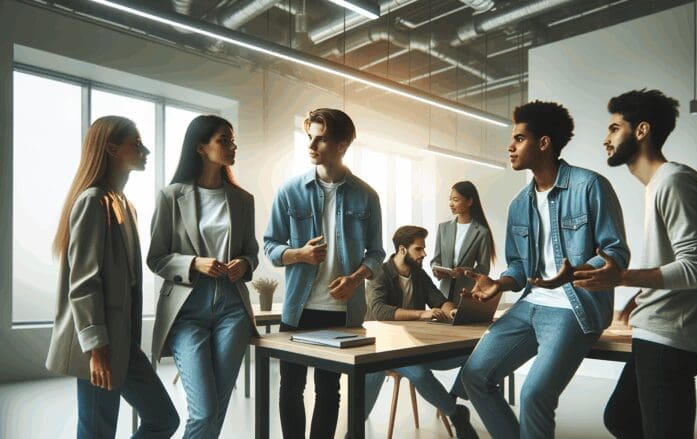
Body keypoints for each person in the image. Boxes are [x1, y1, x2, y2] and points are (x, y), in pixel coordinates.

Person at [460, 101, 630, 438]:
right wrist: (500, 283)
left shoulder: (589, 185)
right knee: (474, 376)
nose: (510, 147)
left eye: (519, 138)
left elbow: (615, 253)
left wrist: (576, 273)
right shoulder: (518, 204)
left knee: (534, 394)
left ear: (544, 143)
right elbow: (520, 266)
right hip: (530, 304)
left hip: (574, 306)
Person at [574, 89, 697, 439]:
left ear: (641, 130)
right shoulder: (660, 184)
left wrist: (622, 277)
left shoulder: (674, 182)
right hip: (660, 331)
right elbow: (681, 262)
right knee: (621, 417)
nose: (606, 139)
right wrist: (643, 292)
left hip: (671, 337)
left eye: (614, 128)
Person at [46, 116, 179, 438]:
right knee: (97, 431)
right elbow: (84, 283)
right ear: (112, 148)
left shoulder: (124, 205)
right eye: (137, 144)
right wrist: (97, 350)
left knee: (163, 419)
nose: (146, 151)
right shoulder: (93, 201)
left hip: (124, 344)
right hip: (101, 345)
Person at [263, 108, 385, 439]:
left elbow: (377, 253)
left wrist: (355, 279)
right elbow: (270, 245)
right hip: (298, 308)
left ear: (343, 145)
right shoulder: (289, 191)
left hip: (341, 312)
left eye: (321, 139)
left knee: (329, 390)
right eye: (309, 137)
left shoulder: (367, 196)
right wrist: (298, 254)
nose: (311, 145)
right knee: (290, 387)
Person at [148, 115, 260, 438]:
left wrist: (244, 264)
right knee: (205, 410)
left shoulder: (243, 200)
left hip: (232, 309)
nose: (232, 146)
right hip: (187, 311)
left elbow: (252, 252)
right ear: (200, 147)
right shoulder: (171, 196)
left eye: (233, 141)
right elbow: (156, 258)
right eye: (223, 140)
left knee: (217, 408)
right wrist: (194, 263)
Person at [364, 225, 478, 438]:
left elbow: (439, 300)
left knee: (475, 355)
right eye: (419, 249)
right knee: (419, 372)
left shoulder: (418, 274)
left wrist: (452, 311)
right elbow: (379, 311)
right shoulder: (379, 273)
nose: (424, 253)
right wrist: (422, 314)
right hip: (385, 347)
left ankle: (452, 398)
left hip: (417, 345)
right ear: (402, 250)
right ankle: (455, 414)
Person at [431, 181, 495, 303]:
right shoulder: (443, 228)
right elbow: (436, 259)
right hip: (444, 291)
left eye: (455, 200)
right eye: (450, 200)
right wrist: (437, 270)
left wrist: (464, 271)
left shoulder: (482, 232)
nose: (451, 204)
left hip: (466, 291)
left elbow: (484, 268)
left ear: (469, 201)